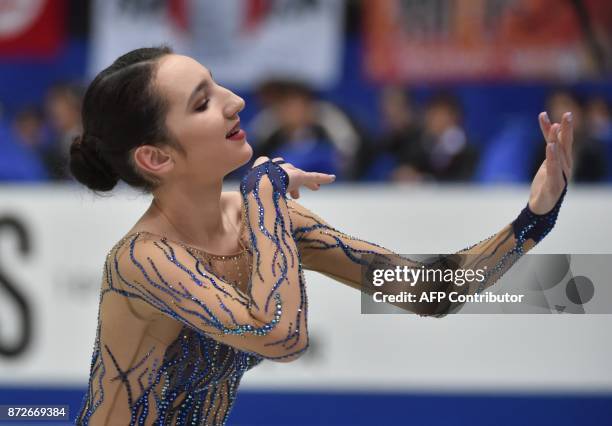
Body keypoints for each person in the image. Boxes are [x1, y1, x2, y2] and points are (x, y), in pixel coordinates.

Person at [72, 47, 572, 425]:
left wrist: (534, 218)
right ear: (156, 157)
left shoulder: (259, 219)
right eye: (203, 103)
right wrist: (266, 198)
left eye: (217, 84)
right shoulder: (140, 260)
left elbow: (429, 293)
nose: (235, 101)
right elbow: (281, 336)